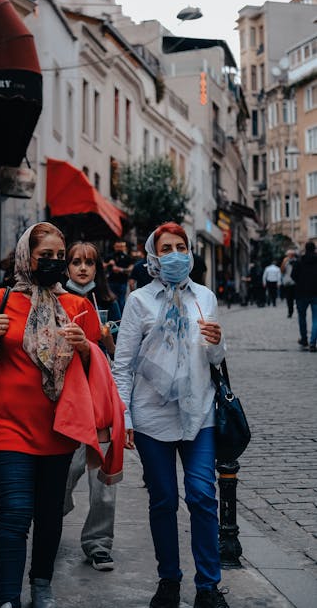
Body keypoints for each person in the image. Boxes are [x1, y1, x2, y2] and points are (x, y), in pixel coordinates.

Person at [0, 222, 125, 608]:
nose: (52, 263)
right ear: (25, 258)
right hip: (9, 426)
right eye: (44, 256)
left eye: (58, 257)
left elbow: (95, 369)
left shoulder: (77, 306)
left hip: (58, 428)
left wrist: (87, 348)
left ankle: (42, 585)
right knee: (15, 513)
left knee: (49, 515)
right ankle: (8, 598)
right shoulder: (0, 299)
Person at [113, 221, 230, 608]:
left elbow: (214, 358)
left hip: (199, 414)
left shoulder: (205, 297)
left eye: (181, 246)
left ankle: (208, 587)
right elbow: (123, 363)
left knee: (201, 496)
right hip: (152, 419)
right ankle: (169, 580)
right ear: (154, 256)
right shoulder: (139, 301)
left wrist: (217, 344)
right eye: (167, 248)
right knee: (163, 500)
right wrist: (125, 417)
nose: (176, 254)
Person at [63, 241, 121, 571]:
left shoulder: (108, 303)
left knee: (102, 481)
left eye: (88, 263)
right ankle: (51, 518)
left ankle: (99, 543)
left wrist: (106, 337)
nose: (82, 268)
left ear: (97, 269)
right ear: (67, 267)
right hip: (68, 404)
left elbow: (119, 354)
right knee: (65, 473)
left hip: (98, 401)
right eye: (75, 262)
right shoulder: (56, 301)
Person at [291, 240, 317, 352]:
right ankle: (313, 342)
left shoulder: (299, 261)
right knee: (316, 319)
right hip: (316, 293)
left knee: (302, 317)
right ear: (314, 249)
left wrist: (300, 282)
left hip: (301, 293)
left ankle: (304, 339)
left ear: (305, 249)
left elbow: (293, 276)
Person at [104, 240, 133, 312]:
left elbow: (131, 269)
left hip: (122, 282)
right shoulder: (109, 256)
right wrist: (109, 264)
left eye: (121, 246)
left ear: (124, 247)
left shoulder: (127, 257)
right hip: (111, 282)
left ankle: (121, 319)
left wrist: (121, 270)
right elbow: (101, 266)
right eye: (118, 246)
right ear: (114, 247)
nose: (119, 248)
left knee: (121, 301)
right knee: (111, 301)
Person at [280, 249, 298, 319]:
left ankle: (298, 309)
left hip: (295, 282)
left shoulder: (297, 261)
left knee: (297, 298)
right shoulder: (285, 261)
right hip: (288, 282)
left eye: (289, 254)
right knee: (289, 299)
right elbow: (282, 271)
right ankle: (290, 311)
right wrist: (284, 262)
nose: (288, 256)